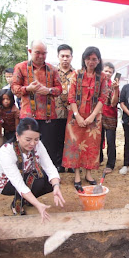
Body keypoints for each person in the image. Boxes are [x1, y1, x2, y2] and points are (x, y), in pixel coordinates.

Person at [0, 117, 65, 218]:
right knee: (36, 181)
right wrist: (38, 204)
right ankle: (17, 204)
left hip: (26, 175)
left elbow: (49, 167)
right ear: (17, 135)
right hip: (5, 182)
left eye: (36, 139)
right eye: (28, 140)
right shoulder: (6, 151)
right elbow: (18, 182)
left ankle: (28, 199)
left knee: (48, 181)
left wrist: (56, 186)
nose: (32, 144)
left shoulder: (38, 145)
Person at [62, 46, 111, 192]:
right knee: (75, 145)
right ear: (84, 59)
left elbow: (103, 98)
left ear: (98, 61)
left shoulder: (102, 77)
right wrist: (77, 116)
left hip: (94, 119)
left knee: (91, 146)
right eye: (88, 58)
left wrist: (91, 117)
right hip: (75, 117)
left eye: (94, 59)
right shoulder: (76, 75)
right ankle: (77, 175)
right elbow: (70, 97)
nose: (91, 61)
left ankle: (88, 174)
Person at [11, 40, 63, 160]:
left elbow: (59, 89)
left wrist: (49, 91)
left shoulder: (52, 69)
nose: (41, 56)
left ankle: (48, 176)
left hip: (48, 116)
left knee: (49, 148)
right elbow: (14, 88)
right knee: (27, 147)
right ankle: (29, 174)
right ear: (30, 51)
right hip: (28, 115)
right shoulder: (21, 67)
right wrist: (27, 89)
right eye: (37, 52)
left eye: (44, 53)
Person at [55, 44, 76, 172]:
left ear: (71, 57)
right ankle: (59, 164)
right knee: (57, 139)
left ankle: (71, 164)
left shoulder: (76, 74)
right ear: (58, 57)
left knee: (71, 139)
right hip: (56, 112)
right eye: (62, 56)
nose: (65, 59)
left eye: (67, 56)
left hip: (71, 112)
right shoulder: (52, 72)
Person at [100, 62, 120, 174]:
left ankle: (110, 164)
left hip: (110, 116)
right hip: (98, 116)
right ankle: (99, 159)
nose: (107, 73)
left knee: (110, 141)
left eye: (110, 72)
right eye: (106, 71)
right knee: (98, 139)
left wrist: (116, 90)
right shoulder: (98, 83)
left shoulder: (114, 85)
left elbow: (113, 103)